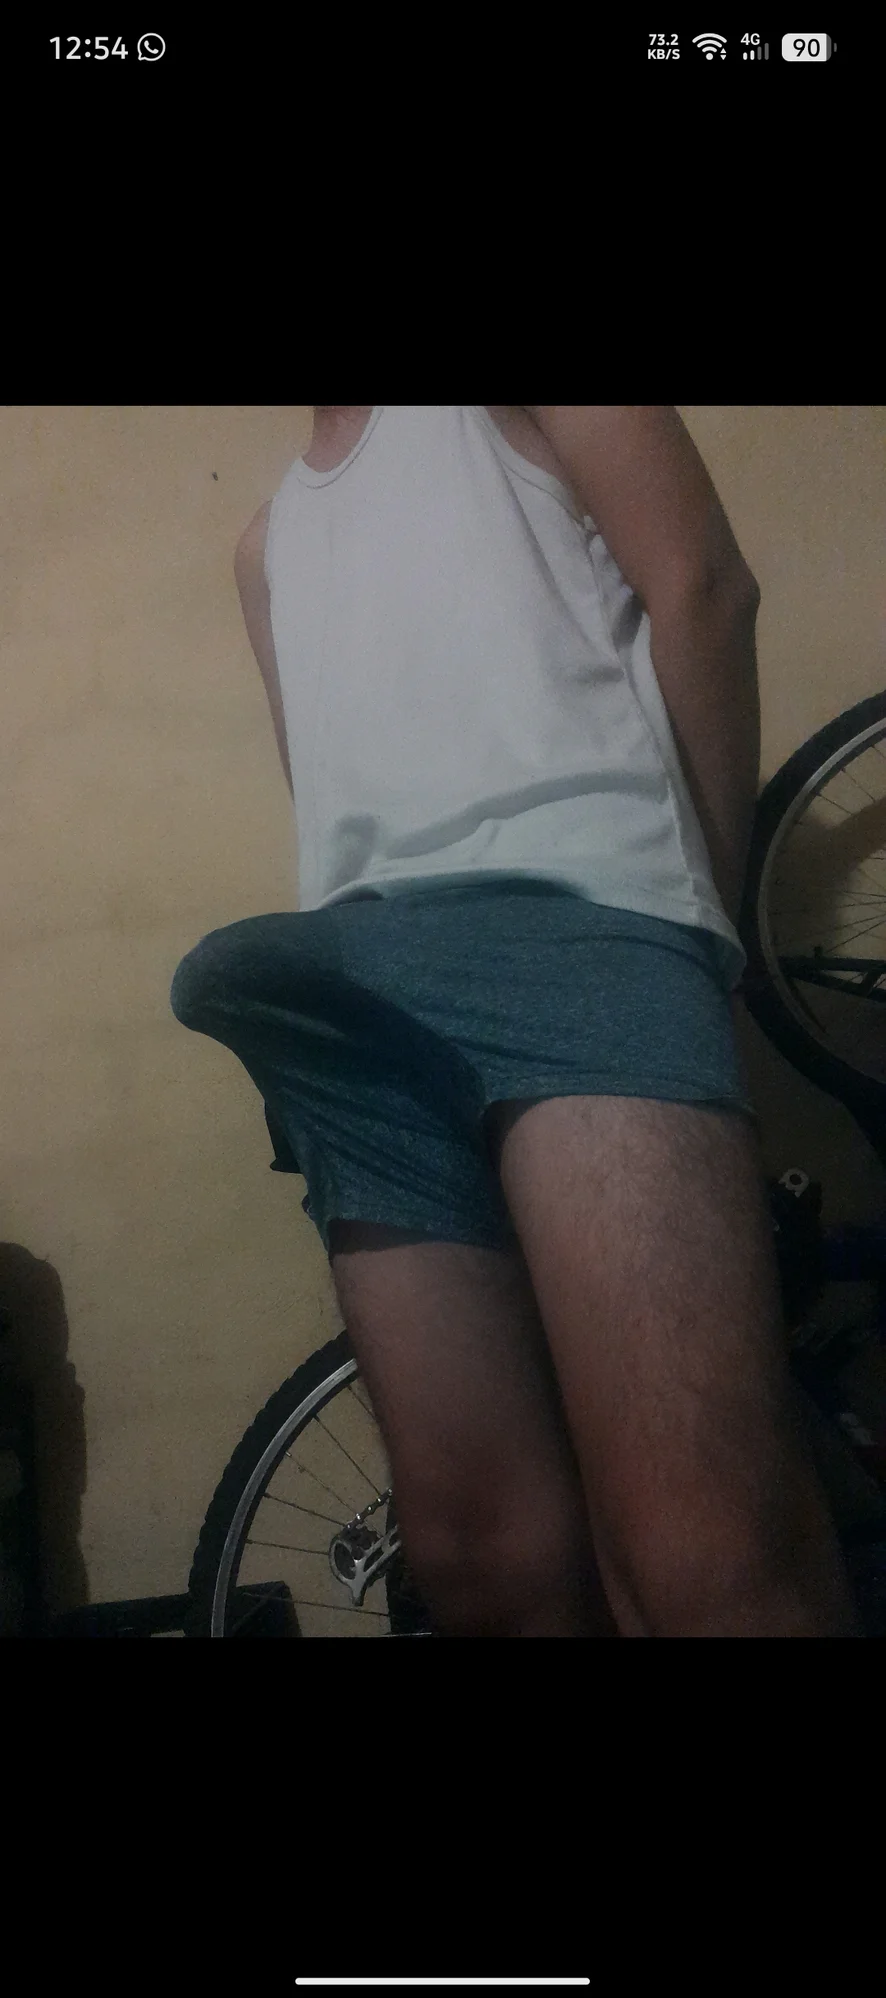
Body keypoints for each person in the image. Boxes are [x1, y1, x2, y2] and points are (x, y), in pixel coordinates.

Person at [171, 405, 859, 1637]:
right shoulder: (266, 547)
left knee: (704, 1556)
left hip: (578, 938)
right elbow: (329, 801)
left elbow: (703, 590)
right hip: (360, 1000)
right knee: (478, 1555)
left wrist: (695, 921)